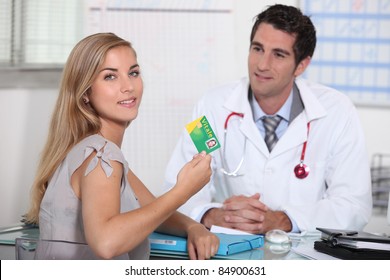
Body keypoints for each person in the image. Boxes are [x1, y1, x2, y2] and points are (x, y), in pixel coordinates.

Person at [163, 4, 372, 234]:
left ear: (301, 65)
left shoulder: (338, 112)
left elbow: (354, 206)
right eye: (258, 49)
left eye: (279, 54)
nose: (262, 65)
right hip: (233, 255)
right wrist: (212, 215)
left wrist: (284, 220)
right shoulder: (208, 109)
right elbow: (176, 189)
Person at [25, 32, 219, 260]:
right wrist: (183, 191)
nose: (128, 86)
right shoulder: (101, 156)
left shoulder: (90, 150)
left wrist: (193, 227)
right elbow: (106, 243)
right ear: (85, 92)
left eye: (133, 73)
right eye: (110, 77)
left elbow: (156, 210)